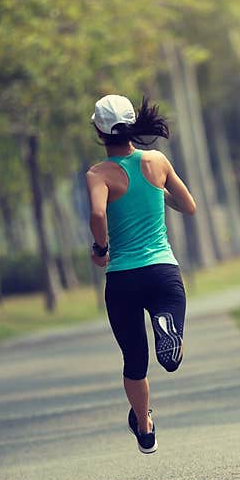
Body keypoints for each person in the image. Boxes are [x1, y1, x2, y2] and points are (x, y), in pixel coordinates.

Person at [86, 94, 197, 454]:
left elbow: (99, 215)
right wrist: (158, 192)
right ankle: (166, 324)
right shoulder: (156, 161)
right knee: (167, 326)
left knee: (135, 360)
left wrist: (101, 250)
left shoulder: (98, 174)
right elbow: (189, 206)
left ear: (99, 132)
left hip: (123, 278)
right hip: (162, 271)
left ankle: (145, 426)